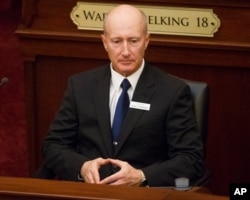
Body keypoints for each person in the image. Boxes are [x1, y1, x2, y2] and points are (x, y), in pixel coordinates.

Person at [41, 4, 204, 187]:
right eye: (117, 41)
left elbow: (191, 159)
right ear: (105, 42)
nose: (125, 51)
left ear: (146, 41)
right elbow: (53, 146)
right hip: (90, 193)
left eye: (133, 41)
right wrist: (83, 167)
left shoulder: (172, 91)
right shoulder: (80, 86)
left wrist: (141, 176)